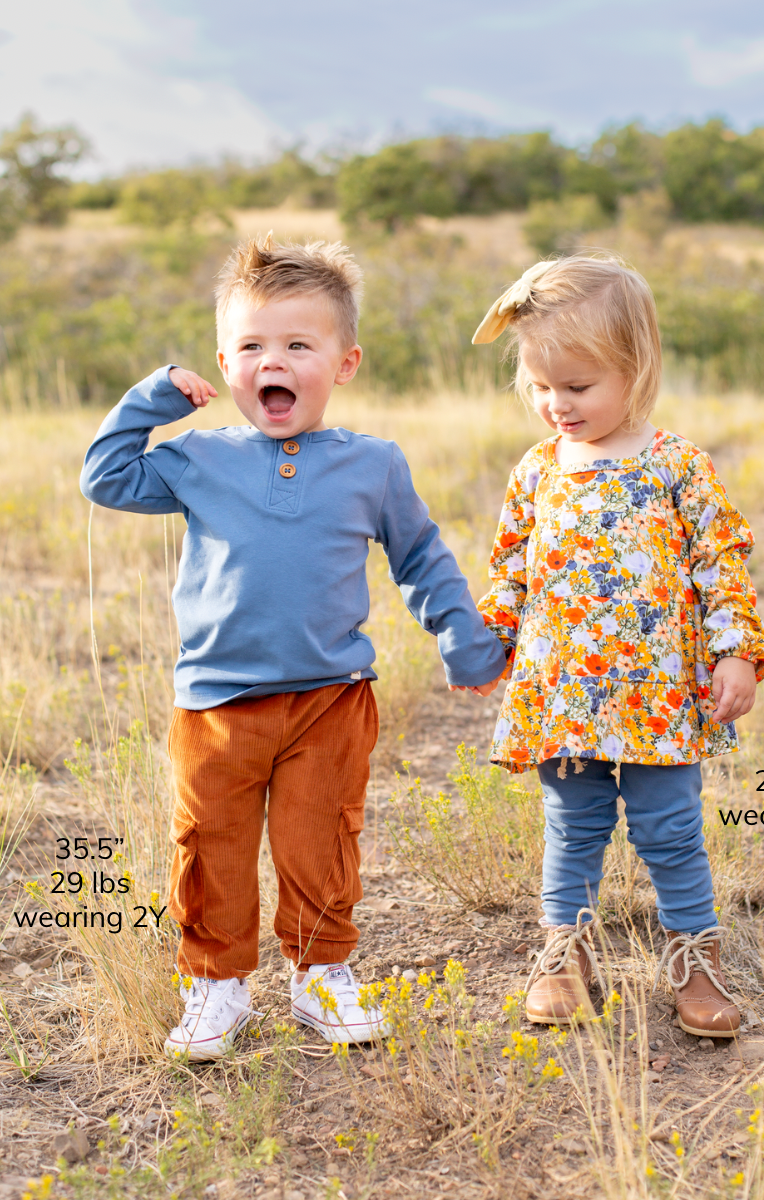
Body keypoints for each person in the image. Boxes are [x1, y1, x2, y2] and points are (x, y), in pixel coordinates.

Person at [80, 235, 506, 1061]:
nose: (271, 361)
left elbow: (420, 557)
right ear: (226, 363)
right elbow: (104, 475)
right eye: (251, 347)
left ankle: (319, 976)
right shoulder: (198, 459)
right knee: (212, 847)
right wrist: (152, 400)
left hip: (331, 697)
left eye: (297, 345)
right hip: (215, 701)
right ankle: (216, 987)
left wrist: (462, 636)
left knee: (323, 844)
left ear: (344, 363)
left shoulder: (373, 465)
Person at [470, 255, 764, 1036]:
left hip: (660, 693)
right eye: (539, 388)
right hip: (564, 692)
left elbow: (720, 564)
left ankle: (693, 956)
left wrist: (735, 651)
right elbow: (510, 569)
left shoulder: (677, 467)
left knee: (670, 827)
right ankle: (565, 950)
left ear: (634, 369)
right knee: (572, 823)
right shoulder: (537, 472)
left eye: (576, 387)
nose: (555, 405)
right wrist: (489, 640)